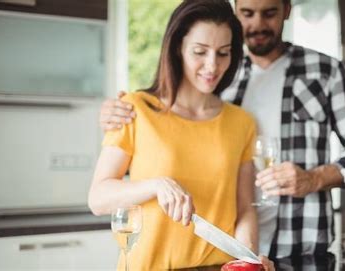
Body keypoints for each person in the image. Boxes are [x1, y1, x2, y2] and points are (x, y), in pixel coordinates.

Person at [99, 0, 345, 262]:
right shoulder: (220, 74)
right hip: (228, 250)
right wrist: (121, 115)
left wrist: (314, 178)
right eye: (247, 13)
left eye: (269, 13)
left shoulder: (324, 71)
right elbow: (164, 140)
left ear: (287, 10)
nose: (257, 24)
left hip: (299, 244)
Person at [89, 0, 275, 270]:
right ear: (178, 48)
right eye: (200, 51)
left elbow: (245, 208)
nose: (212, 65)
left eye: (223, 53)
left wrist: (248, 260)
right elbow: (98, 198)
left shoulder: (241, 122)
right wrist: (155, 185)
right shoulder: (136, 109)